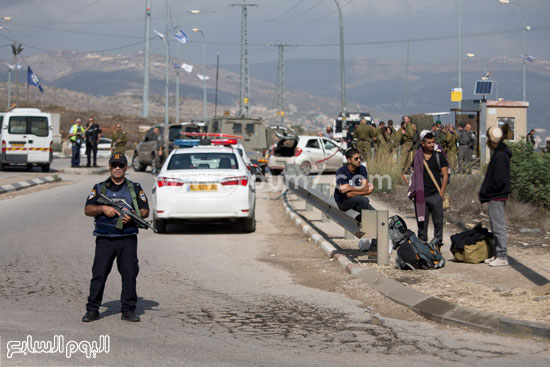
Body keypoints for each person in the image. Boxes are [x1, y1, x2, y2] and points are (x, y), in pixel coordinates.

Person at [82, 153, 150, 322]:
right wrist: (103, 209)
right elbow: (88, 209)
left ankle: (128, 310)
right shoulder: (99, 188)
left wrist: (133, 215)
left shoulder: (134, 188)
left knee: (129, 274)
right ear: (110, 167)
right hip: (105, 238)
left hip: (127, 238)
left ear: (126, 167)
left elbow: (145, 210)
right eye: (114, 165)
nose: (117, 168)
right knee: (99, 274)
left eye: (121, 165)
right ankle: (92, 309)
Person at [407, 130, 449, 248]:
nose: (432, 145)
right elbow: (413, 175)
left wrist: (441, 193)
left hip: (435, 195)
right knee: (422, 225)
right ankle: (422, 248)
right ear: (423, 144)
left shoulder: (439, 155)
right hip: (421, 196)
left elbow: (445, 175)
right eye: (429, 143)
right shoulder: (417, 157)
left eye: (433, 142)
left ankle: (437, 247)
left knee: (438, 224)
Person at [479, 127, 512, 267]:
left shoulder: (500, 156)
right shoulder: (500, 153)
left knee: (498, 226)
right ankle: (497, 254)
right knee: (495, 225)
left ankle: (502, 256)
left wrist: (488, 190)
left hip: (497, 195)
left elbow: (498, 179)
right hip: (497, 195)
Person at [334, 148, 376, 249]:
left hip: (357, 201)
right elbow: (345, 193)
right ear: (349, 160)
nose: (359, 160)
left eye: (359, 158)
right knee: (364, 200)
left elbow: (367, 188)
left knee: (376, 216)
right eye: (356, 159)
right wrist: (362, 189)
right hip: (343, 202)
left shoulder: (362, 169)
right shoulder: (341, 171)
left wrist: (350, 189)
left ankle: (374, 247)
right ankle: (359, 219)